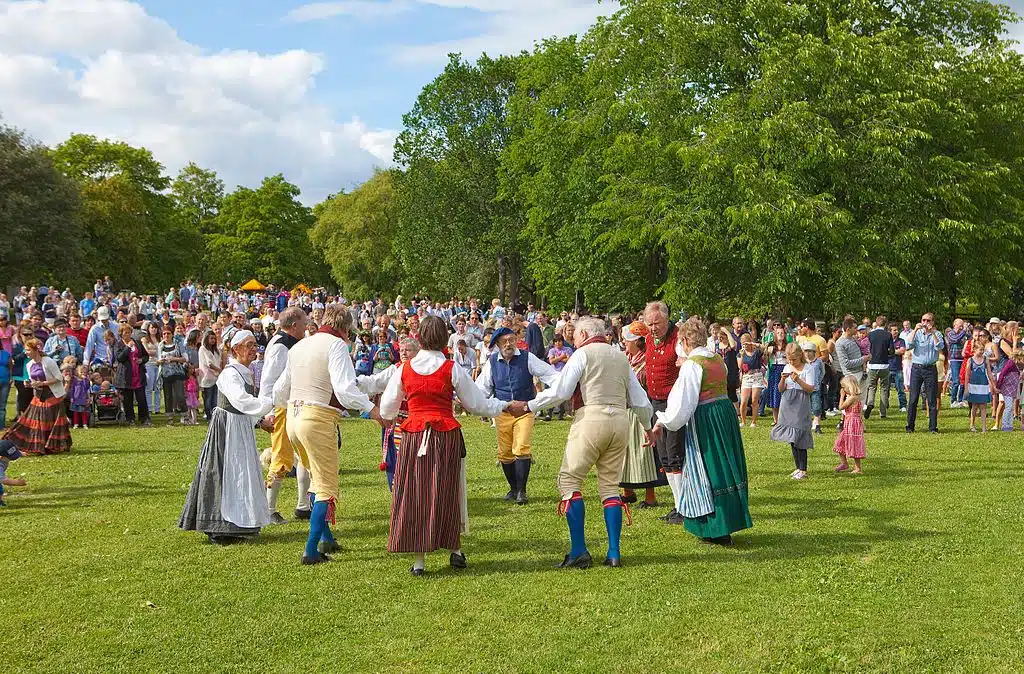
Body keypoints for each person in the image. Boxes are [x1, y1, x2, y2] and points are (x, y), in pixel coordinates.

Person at [516, 316, 651, 568]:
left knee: (569, 480)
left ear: (585, 334)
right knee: (610, 487)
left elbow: (561, 392)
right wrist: (648, 427)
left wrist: (529, 405)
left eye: (576, 335)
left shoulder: (582, 354)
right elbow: (640, 399)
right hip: (620, 421)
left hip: (591, 418)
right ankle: (613, 552)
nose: (573, 339)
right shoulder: (621, 356)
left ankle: (578, 550)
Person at [380, 316, 509, 575]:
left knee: (415, 493)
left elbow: (386, 408)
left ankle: (419, 561)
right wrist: (504, 405)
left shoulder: (404, 369)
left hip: (414, 436)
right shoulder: (451, 368)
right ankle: (455, 550)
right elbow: (476, 404)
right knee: (447, 491)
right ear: (443, 337)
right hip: (444, 435)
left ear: (420, 338)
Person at [272, 304, 385, 566]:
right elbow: (344, 389)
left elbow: (280, 389)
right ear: (345, 328)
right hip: (318, 419)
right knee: (325, 487)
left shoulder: (300, 345)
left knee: (314, 478)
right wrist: (372, 409)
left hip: (293, 417)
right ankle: (311, 551)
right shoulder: (335, 346)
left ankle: (326, 538)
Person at [647, 318, 752, 545]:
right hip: (724, 414)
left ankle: (716, 528)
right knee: (725, 464)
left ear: (685, 341)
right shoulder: (716, 359)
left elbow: (682, 403)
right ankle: (727, 523)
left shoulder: (692, 365)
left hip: (706, 418)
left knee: (708, 468)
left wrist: (663, 421)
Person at [179, 331, 275, 545]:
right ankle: (217, 526)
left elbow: (244, 407)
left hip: (239, 427)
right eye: (248, 345)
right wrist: (269, 403)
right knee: (224, 472)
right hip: (227, 429)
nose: (253, 349)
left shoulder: (245, 372)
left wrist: (259, 421)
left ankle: (239, 525)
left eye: (254, 345)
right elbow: (241, 401)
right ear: (235, 349)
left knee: (241, 473)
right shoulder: (230, 374)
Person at [475, 326, 560, 505]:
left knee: (521, 447)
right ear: (497, 344)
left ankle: (522, 491)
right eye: (504, 341)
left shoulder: (527, 358)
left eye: (511, 340)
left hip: (524, 410)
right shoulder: (491, 362)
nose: (509, 344)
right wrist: (477, 403)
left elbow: (550, 374)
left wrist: (556, 390)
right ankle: (513, 488)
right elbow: (481, 388)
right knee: (505, 453)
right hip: (502, 411)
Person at [259, 306, 309, 525]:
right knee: (281, 457)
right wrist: (267, 413)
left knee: (304, 454)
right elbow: (268, 381)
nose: (307, 327)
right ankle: (268, 509)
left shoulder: (290, 343)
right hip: (281, 408)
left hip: (296, 404)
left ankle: (303, 505)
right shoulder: (280, 346)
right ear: (295, 325)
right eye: (304, 323)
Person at [617, 321, 665, 509]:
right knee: (626, 452)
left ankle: (650, 496)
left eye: (628, 340)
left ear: (637, 341)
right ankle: (627, 492)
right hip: (626, 411)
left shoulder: (646, 362)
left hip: (641, 411)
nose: (624, 343)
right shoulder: (628, 359)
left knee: (644, 453)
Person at [2, 338, 71, 455]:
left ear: (36, 350)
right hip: (38, 396)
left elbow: (59, 377)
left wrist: (43, 383)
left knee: (46, 422)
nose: (26, 352)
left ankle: (50, 446)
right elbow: (33, 380)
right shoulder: (29, 364)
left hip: (52, 395)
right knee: (33, 422)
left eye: (28, 350)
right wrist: (28, 382)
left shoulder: (48, 361)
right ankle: (29, 445)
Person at [771, 343, 817, 480]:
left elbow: (810, 389)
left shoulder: (808, 369)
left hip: (801, 401)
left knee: (800, 435)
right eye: (789, 360)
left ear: (800, 357)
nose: (791, 362)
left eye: (794, 360)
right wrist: (782, 379)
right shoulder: (787, 367)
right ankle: (797, 467)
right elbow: (780, 389)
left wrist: (798, 380)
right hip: (787, 402)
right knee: (791, 436)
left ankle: (803, 469)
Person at [905, 312, 944, 433]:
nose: (925, 323)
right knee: (913, 399)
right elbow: (908, 345)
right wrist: (915, 330)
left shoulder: (936, 334)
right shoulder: (916, 334)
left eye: (928, 321)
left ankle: (933, 427)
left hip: (930, 368)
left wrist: (932, 333)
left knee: (932, 399)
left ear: (933, 322)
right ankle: (910, 426)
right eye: (923, 320)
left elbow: (940, 347)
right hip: (917, 368)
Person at [113, 323, 151, 426]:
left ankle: (144, 418)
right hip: (126, 377)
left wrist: (141, 360)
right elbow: (119, 358)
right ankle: (130, 419)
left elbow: (146, 356)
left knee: (141, 399)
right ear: (121, 334)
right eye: (125, 333)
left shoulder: (137, 342)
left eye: (129, 332)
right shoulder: (118, 344)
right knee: (128, 400)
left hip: (138, 375)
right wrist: (127, 348)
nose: (128, 334)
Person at [832, 376, 866, 474]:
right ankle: (844, 463)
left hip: (852, 425)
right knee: (840, 442)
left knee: (854, 444)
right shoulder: (853, 397)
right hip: (849, 423)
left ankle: (858, 468)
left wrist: (841, 396)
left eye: (844, 387)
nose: (843, 389)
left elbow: (841, 407)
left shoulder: (852, 398)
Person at [864, 315, 894, 419]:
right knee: (884, 388)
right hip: (884, 365)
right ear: (885, 324)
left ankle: (870, 403)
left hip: (872, 364)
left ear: (876, 323)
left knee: (872, 386)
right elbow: (892, 350)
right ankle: (883, 412)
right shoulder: (888, 335)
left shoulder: (870, 335)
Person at [158, 326, 188, 426]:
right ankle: (169, 417)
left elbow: (185, 358)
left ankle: (185, 415)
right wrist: (159, 361)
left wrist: (174, 359)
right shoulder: (161, 346)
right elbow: (157, 361)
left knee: (180, 395)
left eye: (168, 333)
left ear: (172, 334)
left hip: (177, 373)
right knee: (168, 396)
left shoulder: (178, 344)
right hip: (166, 374)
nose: (166, 335)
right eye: (164, 334)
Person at [965, 330, 993, 433]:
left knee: (983, 406)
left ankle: (984, 427)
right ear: (974, 350)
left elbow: (989, 373)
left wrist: (993, 385)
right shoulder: (970, 360)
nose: (982, 352)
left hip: (983, 385)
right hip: (973, 385)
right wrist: (966, 388)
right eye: (980, 350)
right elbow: (967, 374)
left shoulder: (986, 360)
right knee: (974, 406)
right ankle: (972, 425)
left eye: (983, 350)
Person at [738, 334, 765, 428]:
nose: (745, 345)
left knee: (754, 400)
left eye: (746, 342)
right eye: (743, 343)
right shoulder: (741, 353)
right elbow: (740, 367)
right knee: (743, 401)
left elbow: (763, 347)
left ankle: (753, 422)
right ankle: (743, 421)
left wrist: (753, 343)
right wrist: (741, 356)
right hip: (747, 377)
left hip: (757, 376)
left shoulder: (756, 352)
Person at [764, 324, 789, 425]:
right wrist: (767, 353)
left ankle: (785, 419)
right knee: (775, 394)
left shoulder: (787, 346)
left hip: (784, 369)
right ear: (775, 334)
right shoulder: (771, 345)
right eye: (778, 333)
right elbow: (765, 362)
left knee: (785, 394)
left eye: (782, 333)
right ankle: (776, 419)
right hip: (774, 369)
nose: (780, 335)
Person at [996, 348, 1024, 431]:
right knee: (1008, 406)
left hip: (1013, 388)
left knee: (1010, 407)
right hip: (1007, 387)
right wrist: (998, 386)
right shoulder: (1011, 363)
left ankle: (1010, 424)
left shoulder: (1018, 365)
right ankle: (1005, 425)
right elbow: (1002, 374)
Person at [199, 331, 222, 422]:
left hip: (216, 377)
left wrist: (219, 371)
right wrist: (219, 370)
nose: (213, 340)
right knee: (208, 398)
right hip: (207, 376)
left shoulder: (216, 350)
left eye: (214, 338)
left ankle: (214, 416)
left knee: (215, 398)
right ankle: (209, 416)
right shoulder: (203, 349)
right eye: (211, 338)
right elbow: (209, 363)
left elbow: (218, 361)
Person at [141, 321, 162, 416]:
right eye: (151, 327)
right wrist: (156, 352)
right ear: (148, 329)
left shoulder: (160, 339)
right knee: (149, 387)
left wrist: (155, 352)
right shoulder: (145, 339)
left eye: (155, 328)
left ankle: (157, 408)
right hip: (149, 364)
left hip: (159, 364)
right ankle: (149, 408)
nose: (153, 329)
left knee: (158, 387)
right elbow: (147, 352)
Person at [0, 439, 28, 506]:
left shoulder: (3, 457)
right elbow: (3, 480)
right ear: (1, 457)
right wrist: (18, 482)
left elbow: (12, 451)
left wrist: (20, 453)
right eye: (10, 457)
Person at [68, 364, 91, 429]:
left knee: (84, 412)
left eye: (85, 372)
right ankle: (76, 424)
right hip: (76, 399)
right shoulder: (75, 381)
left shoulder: (86, 380)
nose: (83, 373)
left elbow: (88, 388)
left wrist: (88, 398)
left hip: (83, 398)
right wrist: (72, 397)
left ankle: (85, 423)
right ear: (77, 372)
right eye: (81, 372)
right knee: (75, 412)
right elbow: (72, 389)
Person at [0, 346, 11, 429]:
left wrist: (11, 378)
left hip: (5, 382)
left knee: (2, 405)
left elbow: (10, 366)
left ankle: (1, 425)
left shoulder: (6, 354)